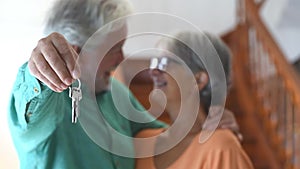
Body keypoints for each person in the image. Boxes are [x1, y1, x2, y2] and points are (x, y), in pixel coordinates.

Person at [8, 0, 167, 169]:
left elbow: (162, 137)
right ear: (76, 52)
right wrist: (41, 69)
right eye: (115, 49)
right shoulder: (50, 102)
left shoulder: (116, 92)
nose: (121, 58)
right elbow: (32, 102)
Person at [134, 31, 254, 169]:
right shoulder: (142, 142)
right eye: (155, 62)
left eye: (165, 63)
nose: (153, 71)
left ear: (198, 80)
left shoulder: (220, 148)